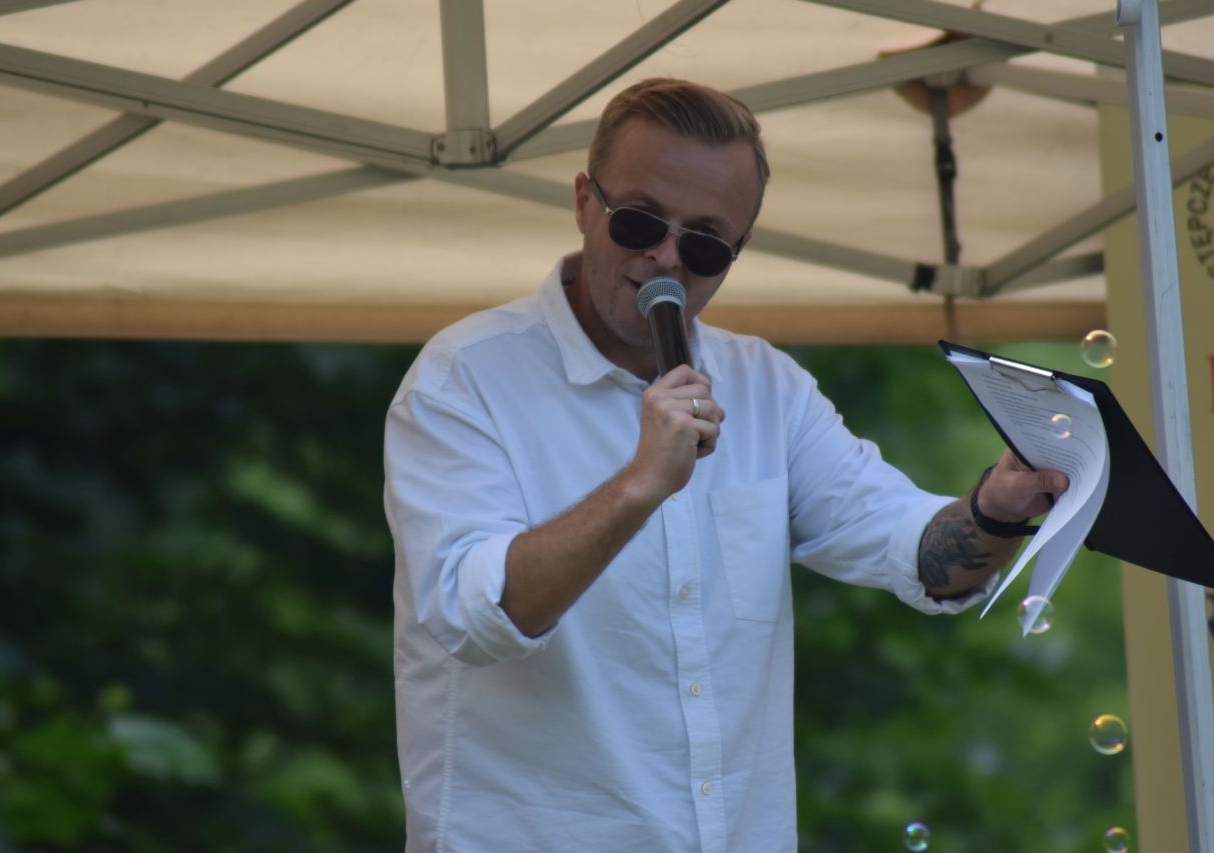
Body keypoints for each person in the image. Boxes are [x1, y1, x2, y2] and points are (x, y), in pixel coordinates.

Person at [383, 77, 1068, 853]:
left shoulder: (767, 385)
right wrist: (639, 486)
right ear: (582, 202)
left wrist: (996, 506)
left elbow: (910, 546)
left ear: (737, 252)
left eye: (705, 243)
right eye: (640, 221)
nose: (666, 258)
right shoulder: (466, 376)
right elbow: (472, 617)